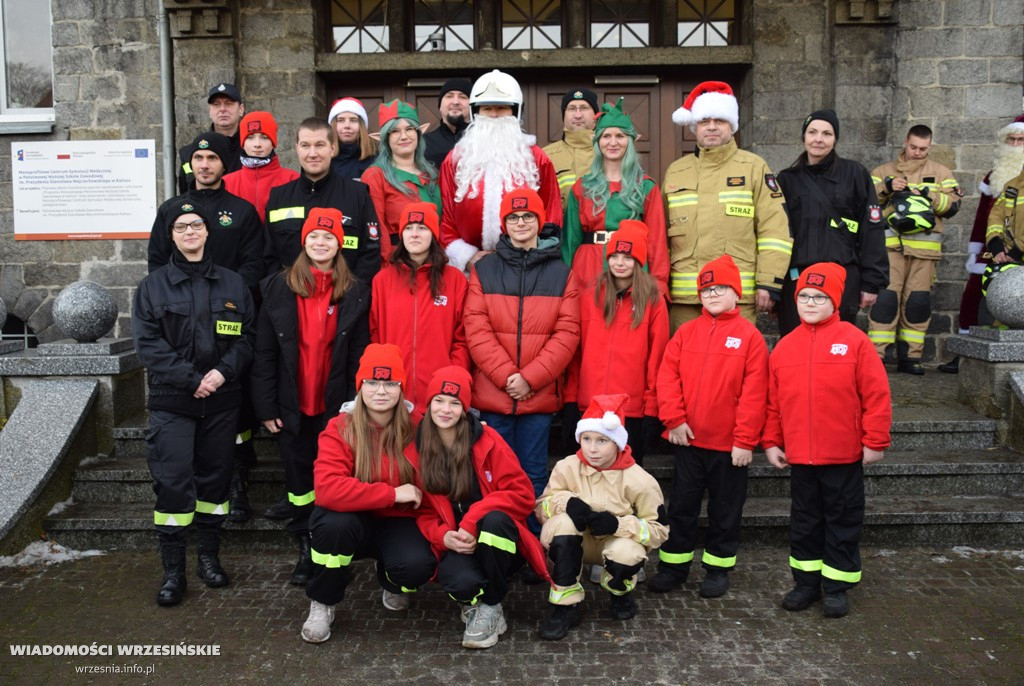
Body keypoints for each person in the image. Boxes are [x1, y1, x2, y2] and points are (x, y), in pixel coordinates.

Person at [131, 205, 255, 606]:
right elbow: (147, 344)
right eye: (181, 227)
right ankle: (173, 572)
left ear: (207, 232)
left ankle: (208, 558)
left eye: (196, 225)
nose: (189, 232)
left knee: (216, 482)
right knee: (172, 481)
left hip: (222, 401)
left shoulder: (234, 285)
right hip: (173, 402)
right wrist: (192, 379)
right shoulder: (152, 287)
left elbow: (248, 339)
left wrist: (220, 374)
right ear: (172, 235)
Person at [763, 262, 892, 619]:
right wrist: (772, 442)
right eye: (804, 295)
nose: (809, 302)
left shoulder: (855, 342)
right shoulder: (785, 347)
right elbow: (773, 403)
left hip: (843, 455)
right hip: (801, 458)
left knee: (842, 521)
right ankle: (805, 583)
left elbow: (876, 395)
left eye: (819, 297)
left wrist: (875, 441)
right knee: (805, 522)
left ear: (834, 300)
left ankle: (836, 587)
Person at [148, 131, 265, 522]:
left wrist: (229, 297)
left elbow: (255, 262)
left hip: (228, 319)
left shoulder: (242, 210)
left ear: (222, 164)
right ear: (191, 165)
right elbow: (157, 266)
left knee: (233, 413)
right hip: (181, 332)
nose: (205, 165)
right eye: (199, 160)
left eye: (212, 159)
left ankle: (234, 483)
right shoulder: (170, 210)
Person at [251, 208, 370, 586]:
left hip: (335, 408)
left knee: (334, 481)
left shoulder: (355, 291)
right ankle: (306, 551)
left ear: (340, 244)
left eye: (329, 237)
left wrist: (355, 405)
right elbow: (264, 352)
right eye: (315, 237)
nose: (321, 243)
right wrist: (266, 406)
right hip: (292, 405)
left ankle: (335, 552)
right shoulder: (276, 287)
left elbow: (359, 355)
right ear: (304, 241)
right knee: (300, 484)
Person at [649, 254, 768, 598]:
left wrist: (745, 441)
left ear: (737, 293)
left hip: (730, 448)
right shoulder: (686, 333)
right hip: (688, 442)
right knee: (681, 508)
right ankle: (674, 566)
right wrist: (673, 420)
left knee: (725, 511)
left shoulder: (750, 337)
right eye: (707, 288)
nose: (713, 294)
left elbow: (755, 393)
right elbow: (667, 377)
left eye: (721, 288)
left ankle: (718, 569)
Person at [300, 343, 437, 643]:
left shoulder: (419, 427)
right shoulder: (340, 427)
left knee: (417, 566)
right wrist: (391, 494)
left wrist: (474, 430)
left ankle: (389, 577)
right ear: (360, 386)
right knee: (332, 526)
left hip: (398, 521)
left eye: (390, 383)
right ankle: (323, 601)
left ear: (401, 388)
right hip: (352, 520)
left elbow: (454, 443)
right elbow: (327, 489)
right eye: (372, 382)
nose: (381, 391)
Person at [463, 187, 580, 521]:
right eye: (513, 217)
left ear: (539, 221)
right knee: (493, 474)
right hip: (494, 395)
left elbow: (567, 333)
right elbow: (476, 327)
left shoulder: (562, 273)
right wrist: (505, 377)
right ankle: (499, 545)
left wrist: (530, 378)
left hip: (537, 396)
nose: (521, 222)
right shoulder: (484, 271)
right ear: (504, 224)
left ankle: (531, 542)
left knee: (532, 474)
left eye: (528, 216)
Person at [414, 366, 550, 649]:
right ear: (428, 405)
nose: (446, 410)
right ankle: (477, 600)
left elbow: (522, 493)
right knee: (459, 582)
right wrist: (444, 536)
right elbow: (423, 511)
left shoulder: (487, 440)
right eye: (439, 401)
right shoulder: (417, 447)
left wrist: (472, 520)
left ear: (465, 409)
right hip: (457, 541)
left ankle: (491, 605)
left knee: (495, 521)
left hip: (496, 540)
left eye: (455, 403)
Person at [535, 394, 669, 640]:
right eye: (586, 439)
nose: (592, 448)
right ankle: (565, 605)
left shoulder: (640, 479)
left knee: (628, 554)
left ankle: (619, 592)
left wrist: (618, 524)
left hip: (614, 543)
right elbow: (541, 508)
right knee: (562, 526)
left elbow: (659, 529)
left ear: (617, 443)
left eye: (602, 441)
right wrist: (565, 503)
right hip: (577, 542)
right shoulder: (566, 466)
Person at [663, 81, 791, 329]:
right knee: (687, 364)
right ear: (694, 127)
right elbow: (660, 236)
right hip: (685, 300)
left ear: (731, 126)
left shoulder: (754, 167)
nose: (711, 127)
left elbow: (775, 230)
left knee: (734, 364)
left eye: (719, 121)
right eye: (704, 121)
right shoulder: (676, 172)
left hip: (736, 296)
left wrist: (768, 282)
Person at [775, 109, 888, 337]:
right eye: (812, 132)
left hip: (842, 278)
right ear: (804, 136)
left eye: (827, 133)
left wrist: (871, 283)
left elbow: (871, 229)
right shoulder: (786, 179)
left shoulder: (855, 174)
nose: (818, 139)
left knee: (836, 346)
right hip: (797, 278)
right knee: (794, 345)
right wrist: (773, 285)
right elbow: (774, 233)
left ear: (835, 139)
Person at [567, 219, 669, 466]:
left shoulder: (653, 301)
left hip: (631, 409)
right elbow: (575, 352)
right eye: (615, 256)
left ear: (639, 261)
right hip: (591, 405)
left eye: (628, 257)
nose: (620, 263)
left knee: (625, 479)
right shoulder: (590, 296)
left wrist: (652, 406)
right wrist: (570, 399)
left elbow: (658, 358)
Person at [439, 69, 562, 272]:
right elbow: (446, 218)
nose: (494, 115)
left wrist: (533, 254)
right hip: (472, 269)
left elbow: (552, 213)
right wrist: (466, 257)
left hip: (525, 265)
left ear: (515, 112)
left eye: (502, 108)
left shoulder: (536, 158)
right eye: (487, 109)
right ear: (475, 112)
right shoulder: (456, 160)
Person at [869, 124, 962, 374]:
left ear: (930, 147)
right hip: (890, 249)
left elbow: (953, 206)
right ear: (905, 143)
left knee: (917, 303)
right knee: (885, 301)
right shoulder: (882, 171)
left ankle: (910, 358)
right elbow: (866, 202)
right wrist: (887, 187)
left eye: (923, 148)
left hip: (925, 251)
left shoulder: (941, 173)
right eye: (913, 147)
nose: (917, 152)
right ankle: (875, 357)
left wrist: (929, 196)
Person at [562, 98, 669, 297]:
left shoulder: (645, 187)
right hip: (587, 269)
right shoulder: (581, 187)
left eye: (620, 136)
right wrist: (563, 286)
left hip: (631, 268)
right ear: (597, 141)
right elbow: (570, 241)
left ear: (630, 140)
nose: (613, 142)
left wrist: (658, 285)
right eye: (606, 136)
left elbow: (657, 242)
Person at [371, 203, 469, 417]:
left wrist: (450, 378)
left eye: (422, 228)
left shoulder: (455, 281)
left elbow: (462, 339)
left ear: (433, 235)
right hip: (393, 397)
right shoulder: (382, 280)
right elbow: (374, 335)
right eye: (408, 228)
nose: (414, 234)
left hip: (440, 399)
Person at [945, 114, 1024, 371]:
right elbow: (985, 217)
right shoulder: (996, 176)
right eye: (1010, 140)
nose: (1015, 145)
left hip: (1019, 250)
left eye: (1020, 139)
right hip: (995, 248)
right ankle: (967, 352)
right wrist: (981, 249)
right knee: (973, 293)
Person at [264, 117, 381, 286]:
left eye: (320, 145)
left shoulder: (357, 194)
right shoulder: (279, 198)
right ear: (296, 148)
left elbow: (370, 253)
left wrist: (351, 297)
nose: (312, 154)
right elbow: (268, 257)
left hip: (345, 302)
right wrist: (284, 295)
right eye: (305, 146)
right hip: (291, 301)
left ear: (332, 148)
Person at [361, 100, 441, 264]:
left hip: (434, 261)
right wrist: (391, 264)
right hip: (396, 262)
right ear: (385, 138)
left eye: (409, 129)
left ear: (418, 133)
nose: (403, 136)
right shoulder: (375, 175)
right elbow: (376, 227)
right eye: (395, 131)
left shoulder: (431, 175)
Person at [223, 111, 299, 224]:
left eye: (264, 137)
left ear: (273, 142)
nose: (257, 144)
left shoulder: (293, 180)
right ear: (242, 143)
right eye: (250, 137)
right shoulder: (226, 183)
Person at [177, 83, 245, 192]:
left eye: (229, 104)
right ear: (210, 111)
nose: (222, 109)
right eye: (216, 104)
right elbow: (185, 196)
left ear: (241, 109)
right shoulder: (189, 153)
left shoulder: (251, 152)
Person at [542, 87, 598, 208]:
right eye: (572, 108)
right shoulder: (545, 156)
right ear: (564, 115)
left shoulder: (610, 152)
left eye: (584, 108)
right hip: (560, 226)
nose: (578, 115)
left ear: (596, 115)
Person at [424, 78, 472, 169]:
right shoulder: (423, 143)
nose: (455, 102)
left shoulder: (483, 141)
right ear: (440, 106)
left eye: (463, 97)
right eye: (449, 96)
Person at [328, 96, 378, 180]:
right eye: (340, 120)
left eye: (353, 120)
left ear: (361, 126)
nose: (347, 126)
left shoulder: (377, 160)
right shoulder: (323, 159)